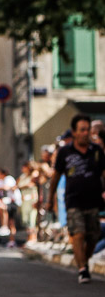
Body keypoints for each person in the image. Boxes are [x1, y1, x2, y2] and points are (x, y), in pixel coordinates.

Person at [48, 113, 105, 284]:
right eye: (82, 130)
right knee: (78, 234)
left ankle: (83, 261)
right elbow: (56, 177)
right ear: (74, 132)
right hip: (73, 200)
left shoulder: (96, 151)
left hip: (94, 200)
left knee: (93, 236)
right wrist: (50, 199)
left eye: (87, 130)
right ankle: (82, 269)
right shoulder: (64, 152)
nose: (86, 133)